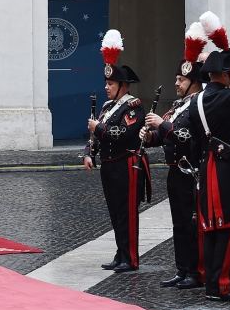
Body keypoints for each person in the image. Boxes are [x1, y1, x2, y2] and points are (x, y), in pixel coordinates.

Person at [187, 11, 230, 302]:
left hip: (205, 165)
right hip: (227, 168)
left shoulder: (195, 101)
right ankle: (222, 283)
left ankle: (211, 280)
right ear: (226, 74)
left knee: (209, 226)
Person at [143, 22, 206, 289]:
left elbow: (185, 137)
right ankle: (182, 268)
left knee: (191, 224)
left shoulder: (198, 105)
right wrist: (151, 137)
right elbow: (168, 134)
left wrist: (162, 126)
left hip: (191, 171)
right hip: (174, 171)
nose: (176, 84)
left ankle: (194, 271)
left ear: (193, 81)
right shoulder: (179, 105)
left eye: (181, 80)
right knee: (178, 225)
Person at [84, 29, 150, 273]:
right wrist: (89, 152)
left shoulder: (133, 106)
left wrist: (99, 129)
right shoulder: (107, 107)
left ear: (123, 85)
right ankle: (120, 252)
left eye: (111, 84)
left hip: (126, 165)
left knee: (127, 213)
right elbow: (96, 135)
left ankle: (130, 257)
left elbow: (124, 133)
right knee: (115, 212)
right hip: (110, 165)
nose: (107, 87)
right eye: (106, 83)